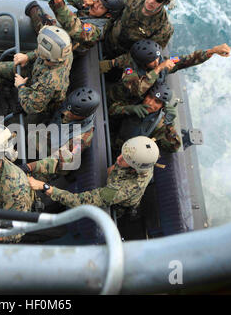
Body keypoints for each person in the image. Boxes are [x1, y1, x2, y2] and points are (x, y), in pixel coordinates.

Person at [28, 136, 159, 216]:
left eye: (125, 160)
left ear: (135, 168)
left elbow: (80, 201)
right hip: (109, 182)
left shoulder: (125, 189)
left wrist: (44, 186)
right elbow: (117, 166)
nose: (118, 158)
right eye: (123, 154)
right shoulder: (139, 154)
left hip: (112, 205)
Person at [0, 25, 73, 122]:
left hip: (42, 101)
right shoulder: (61, 51)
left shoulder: (51, 82)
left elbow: (32, 106)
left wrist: (21, 86)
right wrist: (27, 57)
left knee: (18, 122)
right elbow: (41, 51)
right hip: (34, 73)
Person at [100, 40, 231, 104]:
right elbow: (137, 89)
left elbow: (185, 60)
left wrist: (211, 51)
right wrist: (158, 69)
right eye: (153, 60)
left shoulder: (160, 61)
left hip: (145, 100)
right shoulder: (130, 69)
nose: (157, 61)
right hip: (119, 100)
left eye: (157, 58)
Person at [20, 87, 100, 181]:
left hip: (59, 162)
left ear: (83, 116)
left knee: (29, 180)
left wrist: (30, 167)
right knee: (32, 136)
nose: (66, 112)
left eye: (72, 113)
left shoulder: (81, 138)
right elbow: (51, 106)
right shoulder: (69, 105)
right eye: (68, 108)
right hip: (51, 138)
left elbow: (59, 161)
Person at [24, 0, 124, 51]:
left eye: (101, 7)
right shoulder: (94, 11)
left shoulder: (97, 31)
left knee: (36, 13)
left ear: (108, 15)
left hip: (64, 50)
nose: (95, 5)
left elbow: (74, 27)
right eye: (97, 1)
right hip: (65, 37)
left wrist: (58, 1)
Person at [109, 81, 181, 154]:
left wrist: (169, 125)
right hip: (109, 137)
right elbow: (110, 109)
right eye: (150, 97)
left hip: (128, 155)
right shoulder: (135, 100)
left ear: (162, 106)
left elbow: (173, 148)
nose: (150, 103)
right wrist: (129, 109)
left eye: (157, 101)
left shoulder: (160, 123)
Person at [102, 0, 177, 59]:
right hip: (106, 38)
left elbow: (145, 55)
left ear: (166, 2)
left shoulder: (163, 29)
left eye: (159, 0)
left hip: (122, 58)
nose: (151, 1)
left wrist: (112, 63)